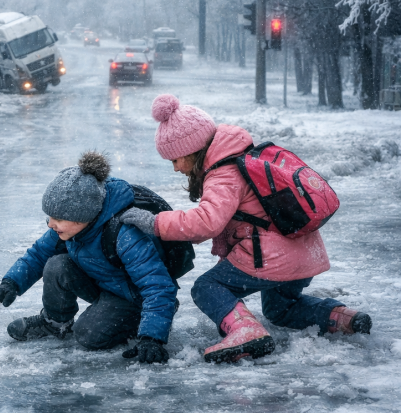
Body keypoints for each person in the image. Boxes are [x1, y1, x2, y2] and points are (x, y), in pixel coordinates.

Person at [120, 94, 372, 363]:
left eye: (176, 160)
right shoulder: (244, 156)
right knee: (281, 310)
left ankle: (245, 330)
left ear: (192, 150)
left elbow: (206, 222)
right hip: (303, 251)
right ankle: (341, 318)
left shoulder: (224, 173)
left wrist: (154, 223)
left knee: (206, 287)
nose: (175, 168)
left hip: (271, 258)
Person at [0, 151, 177, 363]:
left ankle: (140, 322)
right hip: (104, 285)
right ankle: (55, 323)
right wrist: (9, 283)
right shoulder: (67, 229)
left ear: (82, 215)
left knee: (88, 334)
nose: (50, 224)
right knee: (57, 265)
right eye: (50, 216)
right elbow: (38, 254)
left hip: (133, 299)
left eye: (58, 218)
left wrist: (151, 336)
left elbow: (157, 285)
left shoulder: (125, 234)